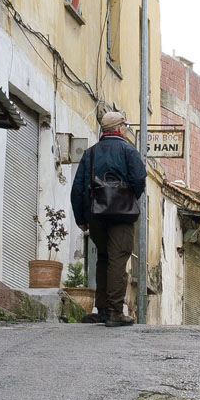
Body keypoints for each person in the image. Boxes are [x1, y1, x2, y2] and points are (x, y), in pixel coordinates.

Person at [70, 112, 146, 327]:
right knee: (118, 259)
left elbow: (77, 188)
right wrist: (129, 197)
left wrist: (81, 217)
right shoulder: (129, 151)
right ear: (120, 128)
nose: (126, 128)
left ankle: (102, 309)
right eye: (125, 125)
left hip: (95, 214)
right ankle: (114, 310)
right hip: (122, 215)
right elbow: (139, 179)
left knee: (103, 257)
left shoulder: (90, 153)